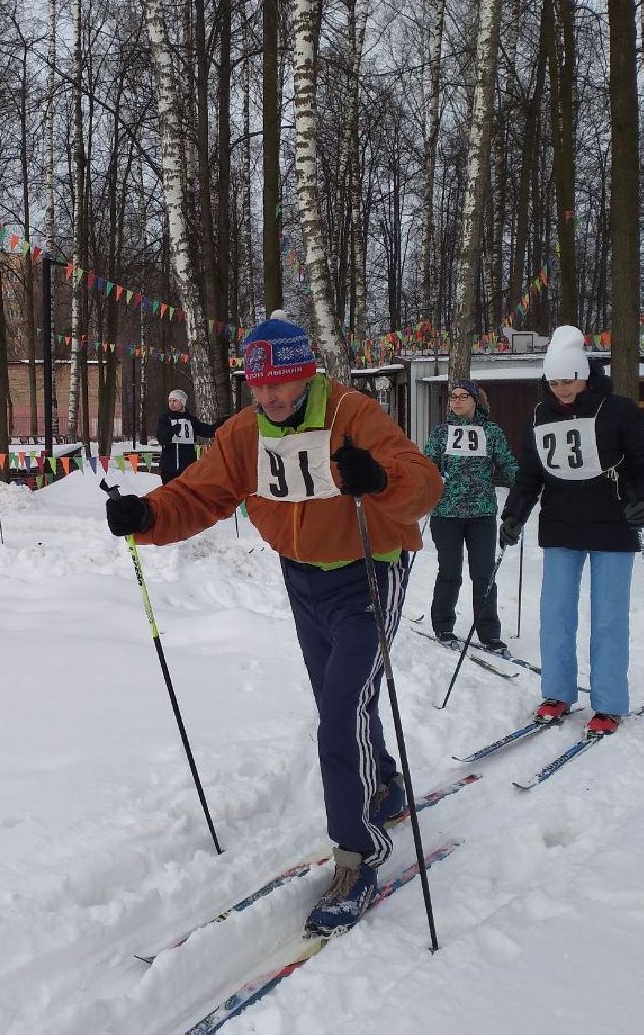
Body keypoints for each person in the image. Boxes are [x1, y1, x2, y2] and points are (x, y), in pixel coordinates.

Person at [103, 316, 442, 937]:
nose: (268, 398)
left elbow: (422, 482)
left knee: (340, 712)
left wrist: (379, 478)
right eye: (257, 387)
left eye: (279, 385)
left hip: (367, 573)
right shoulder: (243, 435)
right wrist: (146, 514)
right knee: (341, 700)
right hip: (302, 580)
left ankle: (357, 852)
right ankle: (385, 784)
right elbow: (197, 495)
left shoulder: (352, 412)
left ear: (304, 372)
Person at [499, 325, 644, 736]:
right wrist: (515, 514)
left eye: (568, 380)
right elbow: (530, 474)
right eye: (553, 381)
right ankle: (557, 693)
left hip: (613, 523)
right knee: (555, 615)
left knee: (608, 618)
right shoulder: (540, 415)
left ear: (585, 374)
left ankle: (608, 703)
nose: (561, 389)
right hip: (561, 525)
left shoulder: (619, 409)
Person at [422, 380, 518, 650]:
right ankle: (443, 626)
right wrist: (430, 477)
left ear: (476, 401)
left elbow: (507, 463)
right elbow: (428, 464)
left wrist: (524, 485)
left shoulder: (491, 432)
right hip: (446, 513)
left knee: (484, 573)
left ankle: (489, 632)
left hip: (482, 513)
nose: (457, 401)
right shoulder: (441, 433)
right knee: (450, 571)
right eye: (453, 397)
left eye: (464, 396)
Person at [156, 389, 219, 484]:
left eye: (175, 401)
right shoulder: (165, 419)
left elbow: (206, 431)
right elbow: (161, 439)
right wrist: (171, 431)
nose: (171, 404)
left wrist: (220, 425)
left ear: (183, 402)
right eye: (170, 401)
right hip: (169, 468)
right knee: (170, 496)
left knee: (186, 495)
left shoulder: (191, 420)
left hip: (187, 468)